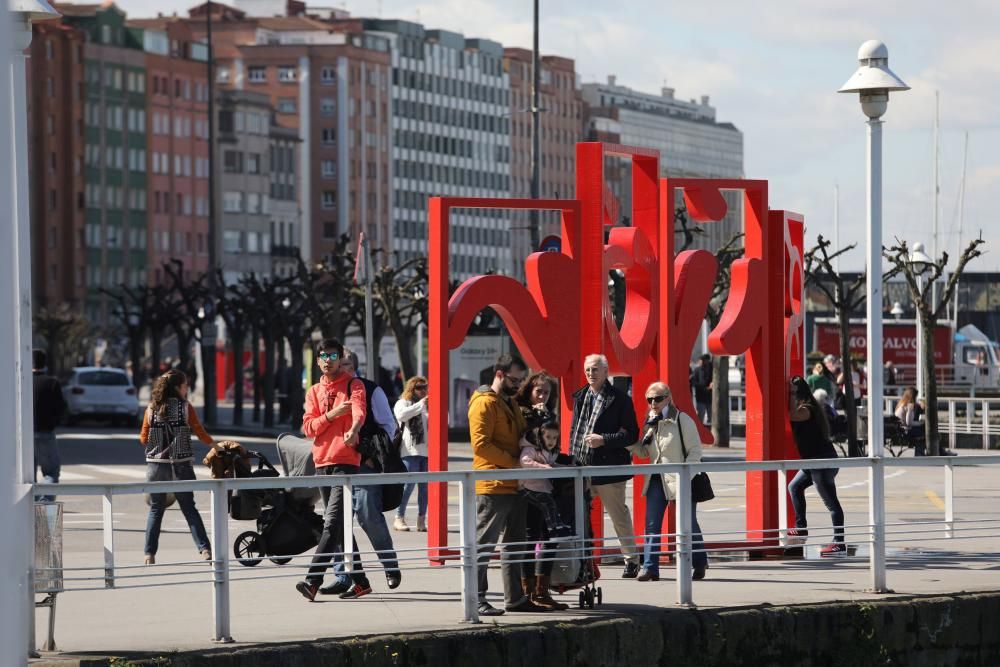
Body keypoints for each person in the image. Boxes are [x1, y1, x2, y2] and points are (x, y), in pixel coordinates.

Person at [468, 354, 548, 616]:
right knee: (484, 544)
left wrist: (535, 422)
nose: (519, 385)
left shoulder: (508, 402)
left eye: (521, 380)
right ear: (499, 374)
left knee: (516, 544)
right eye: (515, 379)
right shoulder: (483, 403)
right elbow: (481, 445)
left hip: (513, 483)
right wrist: (514, 463)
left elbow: (518, 433)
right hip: (493, 482)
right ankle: (476, 598)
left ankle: (514, 598)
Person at [319, 349, 402, 595]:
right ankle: (346, 576)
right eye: (335, 364)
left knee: (367, 515)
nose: (339, 368)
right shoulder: (325, 389)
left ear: (353, 367)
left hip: (363, 464)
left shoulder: (369, 389)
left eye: (344, 364)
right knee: (335, 523)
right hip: (334, 464)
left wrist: (374, 458)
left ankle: (390, 566)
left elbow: (389, 427)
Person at [295, 339, 372, 602]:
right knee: (338, 527)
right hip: (322, 463)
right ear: (318, 361)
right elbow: (308, 428)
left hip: (345, 464)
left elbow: (359, 409)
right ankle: (361, 581)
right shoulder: (314, 391)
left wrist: (354, 428)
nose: (328, 359)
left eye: (333, 355)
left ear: (340, 359)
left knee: (331, 523)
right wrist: (334, 414)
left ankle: (312, 581)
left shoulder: (353, 384)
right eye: (324, 355)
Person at [569, 353, 641, 578]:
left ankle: (631, 560)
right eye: (588, 369)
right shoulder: (581, 397)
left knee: (619, 516)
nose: (591, 374)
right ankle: (582, 563)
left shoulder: (619, 399)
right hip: (583, 466)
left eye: (595, 369)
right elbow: (574, 433)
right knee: (578, 518)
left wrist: (604, 439)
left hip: (610, 469)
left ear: (606, 372)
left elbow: (631, 435)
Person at [629, 382, 709, 581]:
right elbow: (643, 451)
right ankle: (649, 568)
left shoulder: (682, 420)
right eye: (649, 400)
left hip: (680, 480)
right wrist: (628, 441)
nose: (653, 403)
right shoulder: (651, 422)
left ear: (668, 398)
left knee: (688, 523)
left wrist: (684, 476)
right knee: (652, 525)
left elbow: (695, 452)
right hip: (656, 479)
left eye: (657, 398)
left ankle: (700, 562)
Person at [140, 369, 217, 565]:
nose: (187, 389)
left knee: (156, 509)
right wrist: (215, 446)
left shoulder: (150, 409)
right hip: (181, 464)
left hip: (156, 467)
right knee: (189, 508)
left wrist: (158, 441)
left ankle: (149, 554)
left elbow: (143, 438)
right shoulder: (185, 408)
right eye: (185, 386)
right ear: (177, 387)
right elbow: (199, 431)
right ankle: (204, 549)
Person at [787, 376, 846, 557]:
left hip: (822, 462)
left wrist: (790, 392)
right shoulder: (810, 407)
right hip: (813, 462)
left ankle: (839, 542)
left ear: (799, 392)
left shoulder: (807, 409)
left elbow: (793, 416)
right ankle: (801, 527)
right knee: (794, 486)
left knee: (831, 503)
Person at [518, 419, 572, 610]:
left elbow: (553, 465)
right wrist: (545, 468)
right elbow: (525, 463)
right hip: (529, 491)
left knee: (549, 540)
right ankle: (529, 592)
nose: (551, 440)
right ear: (540, 435)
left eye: (554, 438)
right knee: (531, 538)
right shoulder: (530, 448)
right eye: (548, 437)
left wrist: (567, 468)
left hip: (544, 489)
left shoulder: (552, 452)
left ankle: (542, 591)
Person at [393, 376, 429, 532]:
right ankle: (399, 518)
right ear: (412, 389)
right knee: (407, 486)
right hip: (409, 451)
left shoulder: (427, 405)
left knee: (425, 488)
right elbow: (401, 416)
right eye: (419, 387)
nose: (423, 390)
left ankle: (421, 520)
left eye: (425, 387)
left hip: (426, 451)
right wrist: (420, 405)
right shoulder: (403, 403)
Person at [33, 349, 67, 502]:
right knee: (51, 472)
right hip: (45, 431)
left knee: (27, 476)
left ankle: (28, 507)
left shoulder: (21, 381)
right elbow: (61, 407)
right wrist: (54, 422)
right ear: (44, 363)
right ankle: (46, 505)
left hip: (23, 434)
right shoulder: (52, 382)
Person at [689, 354, 713, 426]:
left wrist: (712, 384)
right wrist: (703, 387)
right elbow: (693, 382)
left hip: (710, 397)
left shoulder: (712, 370)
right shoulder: (697, 370)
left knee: (711, 416)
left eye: (703, 360)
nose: (702, 362)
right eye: (701, 360)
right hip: (700, 397)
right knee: (700, 416)